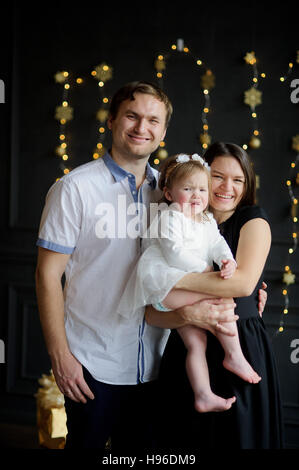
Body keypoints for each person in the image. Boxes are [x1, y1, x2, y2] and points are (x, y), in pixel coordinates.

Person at [34, 82, 238, 453]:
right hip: (93, 363)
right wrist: (60, 357)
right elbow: (47, 275)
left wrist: (252, 288)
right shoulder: (74, 188)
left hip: (161, 365)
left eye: (153, 120)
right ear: (112, 121)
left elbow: (210, 246)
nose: (142, 127)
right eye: (132, 115)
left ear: (162, 132)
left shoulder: (177, 190)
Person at [146, 142, 284, 449]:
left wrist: (180, 282)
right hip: (187, 348)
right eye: (218, 176)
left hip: (239, 343)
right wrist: (182, 310)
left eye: (238, 180)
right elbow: (150, 309)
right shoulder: (179, 217)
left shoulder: (252, 220)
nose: (227, 187)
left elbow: (243, 286)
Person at [118, 152, 261, 414]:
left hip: (182, 287)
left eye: (201, 189)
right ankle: (234, 355)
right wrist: (205, 270)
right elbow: (173, 252)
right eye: (187, 189)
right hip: (166, 287)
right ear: (170, 194)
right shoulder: (171, 217)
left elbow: (218, 244)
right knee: (223, 299)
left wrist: (228, 261)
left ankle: (203, 394)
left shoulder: (205, 219)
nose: (196, 195)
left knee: (196, 344)